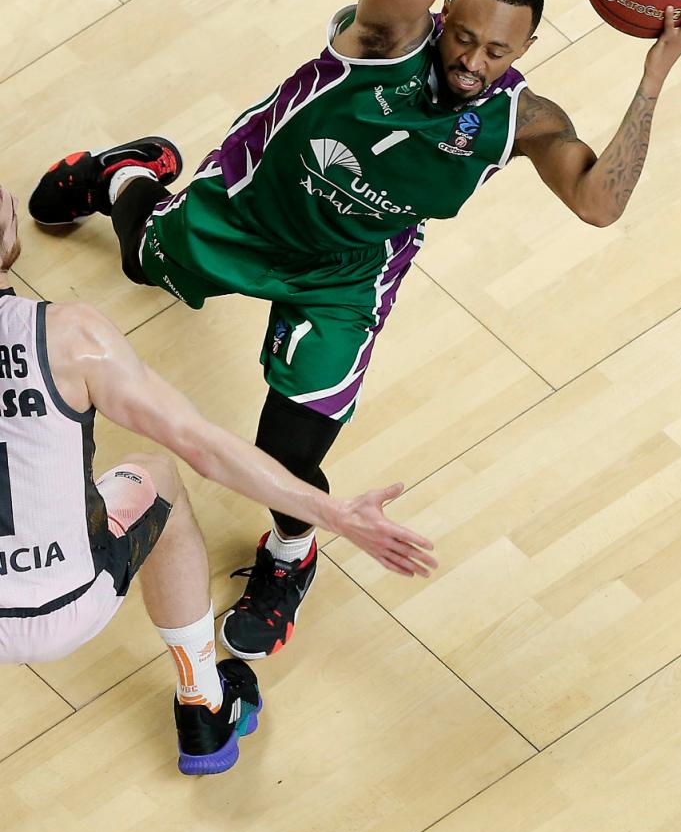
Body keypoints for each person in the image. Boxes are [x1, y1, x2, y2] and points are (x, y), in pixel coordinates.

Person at [28, 0, 681, 662]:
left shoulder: (522, 120)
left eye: (495, 50)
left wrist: (652, 78)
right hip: (251, 209)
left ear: (525, 48)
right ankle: (122, 175)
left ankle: (290, 555)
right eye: (462, 36)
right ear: (444, 12)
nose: (471, 61)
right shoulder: (384, 40)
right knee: (139, 259)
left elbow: (599, 202)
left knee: (286, 452)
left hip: (344, 276)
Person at [0, 188, 435, 775]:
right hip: (69, 601)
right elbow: (201, 444)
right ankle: (203, 699)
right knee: (158, 476)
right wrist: (335, 516)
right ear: (7, 236)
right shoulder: (70, 335)